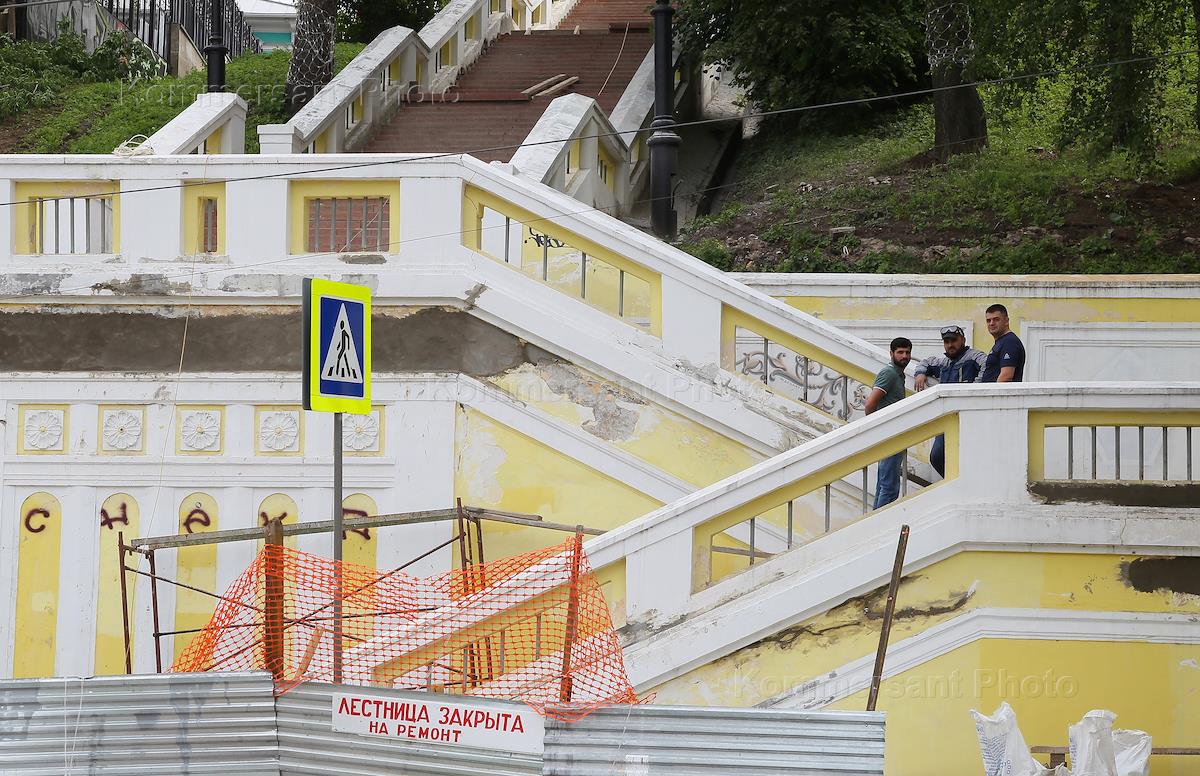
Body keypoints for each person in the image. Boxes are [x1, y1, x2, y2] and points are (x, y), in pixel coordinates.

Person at [914, 325, 987, 476]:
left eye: (953, 341)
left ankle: (964, 482)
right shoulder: (944, 363)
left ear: (963, 340)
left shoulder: (974, 357)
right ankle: (956, 482)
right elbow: (926, 362)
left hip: (968, 418)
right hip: (947, 417)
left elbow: (988, 365)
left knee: (969, 457)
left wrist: (974, 388)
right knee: (937, 457)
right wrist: (920, 373)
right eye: (946, 342)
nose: (950, 345)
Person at [864, 337, 912, 509]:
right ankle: (880, 522)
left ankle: (876, 520)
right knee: (888, 487)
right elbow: (870, 404)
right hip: (888, 434)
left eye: (907, 352)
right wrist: (877, 428)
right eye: (900, 352)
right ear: (891, 353)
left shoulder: (899, 375)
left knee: (886, 485)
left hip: (893, 434)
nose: (904, 356)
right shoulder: (889, 373)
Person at [980, 304, 1025, 383]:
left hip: (999, 391)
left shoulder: (1010, 342)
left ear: (1006, 321)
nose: (991, 323)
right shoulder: (1002, 342)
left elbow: (1006, 376)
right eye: (988, 320)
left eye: (996, 319)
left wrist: (993, 391)